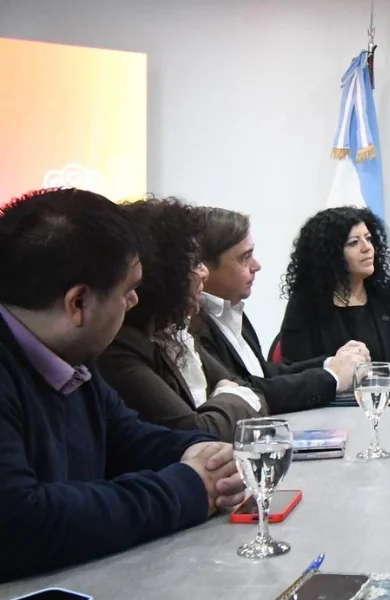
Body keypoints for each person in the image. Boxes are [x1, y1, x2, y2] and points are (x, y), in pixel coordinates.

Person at [0, 188, 244, 582]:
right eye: (128, 290)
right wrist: (186, 488)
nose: (134, 302)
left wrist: (206, 454)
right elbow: (21, 522)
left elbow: (125, 438)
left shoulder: (74, 359)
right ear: (78, 303)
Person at [98, 198, 265, 442]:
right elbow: (198, 432)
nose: (204, 273)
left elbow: (252, 392)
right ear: (164, 275)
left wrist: (224, 399)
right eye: (195, 263)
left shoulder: (175, 330)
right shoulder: (121, 347)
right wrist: (230, 396)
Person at [191, 207, 366, 412]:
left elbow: (264, 373)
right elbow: (247, 391)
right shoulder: (194, 325)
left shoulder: (232, 308)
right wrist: (333, 377)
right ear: (205, 268)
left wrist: (331, 363)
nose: (256, 265)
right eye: (244, 258)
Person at [278, 206, 390, 373]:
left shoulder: (385, 296)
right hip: (329, 397)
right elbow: (292, 370)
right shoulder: (305, 302)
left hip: (384, 396)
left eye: (368, 239)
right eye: (354, 242)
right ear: (330, 255)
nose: (367, 248)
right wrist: (333, 364)